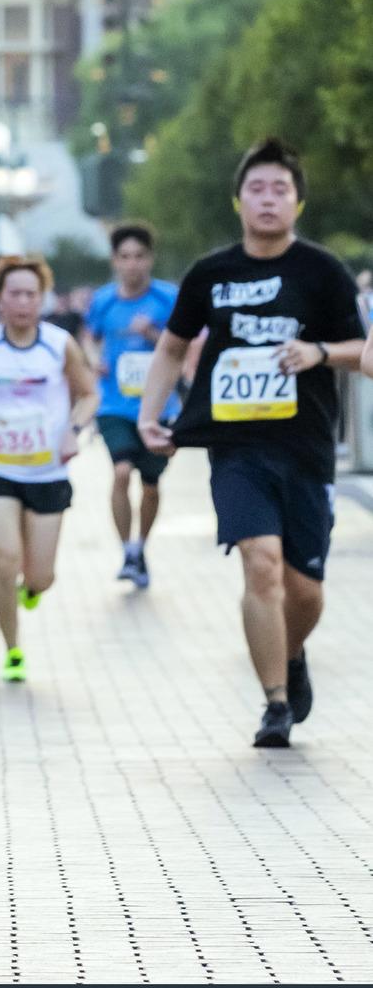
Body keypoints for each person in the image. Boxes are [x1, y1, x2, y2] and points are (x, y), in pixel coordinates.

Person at [137, 139, 366, 748]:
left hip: (307, 447)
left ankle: (290, 654)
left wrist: (319, 351)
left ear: (298, 203)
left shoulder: (322, 271)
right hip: (236, 448)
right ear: (238, 201)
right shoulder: (212, 274)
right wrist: (149, 415)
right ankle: (275, 704)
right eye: (257, 189)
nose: (268, 200)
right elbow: (171, 347)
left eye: (280, 190)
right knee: (260, 563)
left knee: (305, 591)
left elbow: (364, 351)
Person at [0, 256, 97, 683]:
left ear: (42, 299)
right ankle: (12, 649)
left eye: (32, 294)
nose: (24, 302)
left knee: (41, 577)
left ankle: (32, 590)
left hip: (48, 473)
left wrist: (73, 432)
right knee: (6, 560)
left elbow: (88, 394)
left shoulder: (60, 344)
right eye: (15, 294)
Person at [83, 224, 178, 588]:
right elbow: (89, 337)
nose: (132, 264)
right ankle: (126, 550)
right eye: (125, 257)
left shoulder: (168, 298)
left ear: (150, 259)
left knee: (150, 484)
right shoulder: (104, 300)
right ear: (115, 261)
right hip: (115, 405)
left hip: (158, 407)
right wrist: (94, 360)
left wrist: (152, 334)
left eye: (139, 256)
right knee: (121, 472)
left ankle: (141, 546)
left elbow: (187, 344)